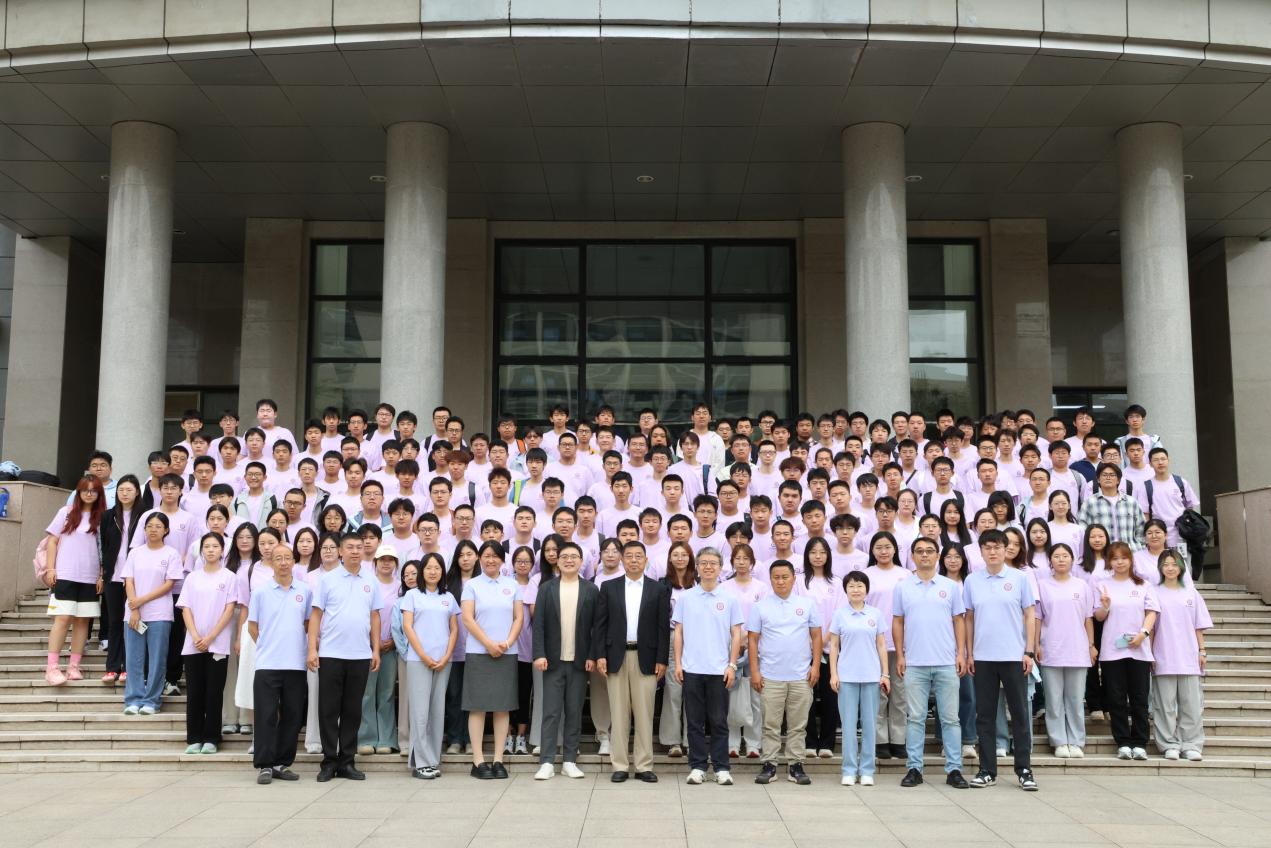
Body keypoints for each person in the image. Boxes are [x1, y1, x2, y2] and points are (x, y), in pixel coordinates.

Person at [963, 529, 1038, 791]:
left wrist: (1029, 651)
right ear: (981, 552)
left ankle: (1024, 769)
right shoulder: (972, 580)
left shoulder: (1019, 578)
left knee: (1019, 714)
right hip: (983, 657)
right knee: (985, 716)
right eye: (987, 548)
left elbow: (1029, 615)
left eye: (997, 547)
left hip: (1014, 656)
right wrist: (970, 653)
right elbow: (969, 618)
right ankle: (987, 770)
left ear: (1006, 550)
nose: (992, 552)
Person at [892, 537, 969, 789]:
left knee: (950, 719)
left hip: (946, 661)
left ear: (937, 556)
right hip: (915, 663)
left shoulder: (950, 586)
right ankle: (914, 768)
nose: (924, 555)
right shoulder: (903, 587)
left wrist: (961, 653)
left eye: (929, 551)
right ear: (913, 556)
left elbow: (958, 620)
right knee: (915, 718)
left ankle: (954, 769)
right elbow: (898, 621)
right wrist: (900, 655)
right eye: (919, 551)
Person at [308, 532, 382, 782]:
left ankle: (347, 761)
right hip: (331, 654)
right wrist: (312, 649)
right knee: (328, 710)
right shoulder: (328, 580)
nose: (355, 551)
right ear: (340, 551)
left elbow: (375, 616)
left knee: (352, 710)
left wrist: (375, 649)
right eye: (350, 547)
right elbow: (316, 615)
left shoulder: (371, 580)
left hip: (360, 655)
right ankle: (329, 761)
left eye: (359, 547)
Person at [595, 541, 671, 782]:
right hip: (616, 656)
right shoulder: (609, 587)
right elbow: (600, 625)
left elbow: (663, 628)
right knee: (618, 713)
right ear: (622, 559)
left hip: (646, 657)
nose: (634, 560)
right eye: (629, 556)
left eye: (639, 556)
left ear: (646, 561)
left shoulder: (658, 589)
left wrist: (662, 659)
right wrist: (600, 655)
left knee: (644, 713)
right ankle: (619, 765)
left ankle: (643, 765)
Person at [673, 547, 744, 786]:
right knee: (694, 721)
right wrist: (678, 663)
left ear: (721, 567)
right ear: (697, 567)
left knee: (719, 721)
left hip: (719, 670)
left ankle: (722, 767)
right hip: (692, 668)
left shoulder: (729, 599)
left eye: (713, 563)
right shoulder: (686, 598)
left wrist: (732, 665)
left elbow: (736, 633)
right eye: (703, 562)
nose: (708, 567)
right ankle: (698, 766)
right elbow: (678, 632)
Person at [747, 559, 821, 785]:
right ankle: (769, 764)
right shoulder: (760, 606)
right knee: (770, 724)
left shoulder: (807, 604)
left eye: (785, 577)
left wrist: (816, 666)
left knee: (798, 725)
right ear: (770, 580)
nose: (781, 581)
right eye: (776, 577)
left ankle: (795, 764)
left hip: (801, 675)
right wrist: (755, 671)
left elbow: (816, 636)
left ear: (793, 578)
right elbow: (752, 640)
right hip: (770, 676)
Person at [531, 542, 600, 780]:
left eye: (574, 556)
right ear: (557, 561)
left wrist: (592, 655)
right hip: (552, 661)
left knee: (574, 712)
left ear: (581, 561)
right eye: (564, 557)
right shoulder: (546, 589)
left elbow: (596, 628)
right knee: (550, 712)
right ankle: (547, 762)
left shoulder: (591, 589)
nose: (569, 560)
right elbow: (538, 624)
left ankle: (569, 760)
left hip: (579, 662)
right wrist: (539, 654)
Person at [460, 541, 524, 779]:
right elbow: (467, 618)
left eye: (495, 556)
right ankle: (478, 761)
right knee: (477, 707)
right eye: (486, 555)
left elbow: (518, 618)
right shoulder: (472, 585)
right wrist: (488, 644)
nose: (491, 560)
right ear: (480, 558)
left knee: (502, 706)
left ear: (502, 559)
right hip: (479, 652)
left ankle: (498, 759)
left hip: (507, 652)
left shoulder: (512, 585)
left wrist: (507, 643)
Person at [249, 544, 311, 784]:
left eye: (287, 558)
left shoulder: (305, 591)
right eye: (278, 558)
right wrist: (268, 645)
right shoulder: (261, 592)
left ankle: (282, 763)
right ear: (271, 562)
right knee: (265, 715)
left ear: (293, 561)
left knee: (292, 715)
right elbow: (252, 627)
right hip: (268, 663)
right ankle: (265, 764)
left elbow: (308, 623)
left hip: (296, 663)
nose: (283, 562)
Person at [1095, 541, 1159, 761]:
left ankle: (1140, 742)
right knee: (1116, 698)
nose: (1119, 562)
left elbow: (1152, 612)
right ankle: (1122, 742)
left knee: (1139, 697)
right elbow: (1098, 617)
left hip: (1139, 649)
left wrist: (1143, 634)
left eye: (1123, 558)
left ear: (1130, 560)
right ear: (1109, 561)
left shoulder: (1143, 584)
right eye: (1115, 558)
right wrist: (1105, 605)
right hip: (1112, 650)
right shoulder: (1103, 585)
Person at [44, 475, 107, 686]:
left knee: (82, 622)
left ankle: (74, 666)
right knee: (62, 619)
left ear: (99, 494)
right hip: (65, 574)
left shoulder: (102, 517)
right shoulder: (66, 512)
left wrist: (101, 575)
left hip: (90, 577)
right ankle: (52, 668)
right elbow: (52, 541)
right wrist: (51, 568)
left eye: (93, 490)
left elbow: (103, 549)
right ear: (78, 492)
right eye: (85, 489)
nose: (89, 493)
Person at [177, 533, 238, 754]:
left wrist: (211, 637)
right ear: (201, 550)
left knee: (214, 692)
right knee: (195, 692)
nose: (211, 550)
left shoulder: (229, 577)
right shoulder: (193, 577)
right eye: (207, 546)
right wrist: (194, 635)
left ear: (222, 550)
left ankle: (212, 738)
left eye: (215, 546)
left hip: (218, 643)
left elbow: (229, 610)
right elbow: (185, 608)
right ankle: (194, 738)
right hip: (193, 644)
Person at [401, 552, 460, 779]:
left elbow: (454, 629)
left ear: (442, 571)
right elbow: (408, 627)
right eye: (428, 568)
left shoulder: (449, 597)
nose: (433, 572)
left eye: (437, 568)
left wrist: (446, 656)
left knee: (437, 711)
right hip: (419, 660)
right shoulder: (412, 595)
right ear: (422, 572)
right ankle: (421, 762)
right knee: (420, 713)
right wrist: (424, 655)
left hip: (443, 661)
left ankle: (433, 759)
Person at [119, 512, 184, 715]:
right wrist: (135, 608)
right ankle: (133, 699)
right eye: (149, 526)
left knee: (157, 658)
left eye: (158, 526)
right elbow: (129, 580)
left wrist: (141, 600)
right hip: (133, 614)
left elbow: (169, 584)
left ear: (166, 530)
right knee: (133, 658)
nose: (153, 530)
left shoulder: (171, 554)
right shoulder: (135, 553)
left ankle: (152, 700)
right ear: (144, 529)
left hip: (159, 614)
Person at [828, 570, 888, 786]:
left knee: (870, 725)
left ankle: (867, 770)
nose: (856, 590)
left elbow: (881, 645)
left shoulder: (875, 614)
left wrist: (885, 673)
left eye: (860, 585)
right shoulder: (840, 614)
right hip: (847, 676)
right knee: (848, 725)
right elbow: (834, 646)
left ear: (866, 590)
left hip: (871, 676)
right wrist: (834, 674)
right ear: (845, 590)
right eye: (851, 586)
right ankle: (849, 769)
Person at [1035, 543, 1096, 758]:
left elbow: (1088, 618)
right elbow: (1037, 618)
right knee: (1054, 700)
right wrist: (1036, 645)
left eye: (1065, 556)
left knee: (1075, 699)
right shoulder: (1042, 585)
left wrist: (1091, 645)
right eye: (1057, 556)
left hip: (1077, 648)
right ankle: (1059, 741)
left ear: (1072, 560)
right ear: (1050, 561)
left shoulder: (1082, 585)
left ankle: (1076, 741)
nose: (1061, 559)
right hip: (1051, 647)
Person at [1151, 548, 1211, 761]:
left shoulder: (1191, 593)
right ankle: (1169, 744)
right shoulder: (1154, 592)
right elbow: (1151, 626)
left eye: (1174, 564)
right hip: (1163, 654)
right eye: (1165, 564)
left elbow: (1198, 626)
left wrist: (1202, 650)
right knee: (1164, 705)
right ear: (1160, 568)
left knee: (1191, 704)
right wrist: (1150, 654)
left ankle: (1191, 743)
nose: (1170, 568)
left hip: (1189, 656)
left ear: (1181, 567)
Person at [100, 475, 145, 682]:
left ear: (137, 492)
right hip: (114, 575)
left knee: (132, 621)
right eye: (121, 490)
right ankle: (112, 667)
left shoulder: (145, 515)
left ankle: (128, 667)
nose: (125, 493)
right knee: (114, 621)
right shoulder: (108, 516)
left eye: (129, 490)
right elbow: (104, 545)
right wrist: (104, 572)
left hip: (136, 577)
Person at [357, 545, 401, 755]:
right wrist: (372, 641)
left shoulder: (400, 587)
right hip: (366, 646)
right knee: (366, 693)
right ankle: (365, 738)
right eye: (382, 559)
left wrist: (393, 641)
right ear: (375, 562)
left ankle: (386, 739)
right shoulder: (366, 584)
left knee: (387, 693)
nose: (386, 563)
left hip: (391, 646)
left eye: (390, 559)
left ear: (396, 563)